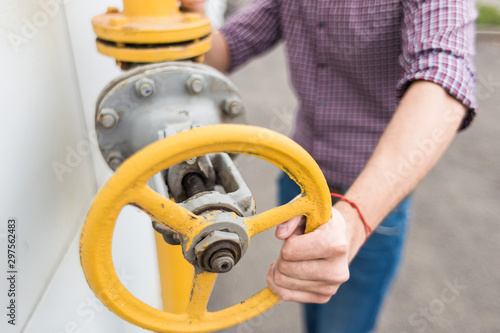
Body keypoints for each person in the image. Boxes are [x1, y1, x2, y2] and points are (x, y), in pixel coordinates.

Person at [188, 0, 477, 331]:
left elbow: (445, 75)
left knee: (343, 325)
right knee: (313, 312)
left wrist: (354, 219)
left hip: (368, 200)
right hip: (299, 184)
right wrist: (193, 12)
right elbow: (223, 51)